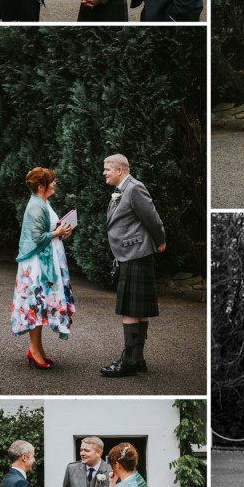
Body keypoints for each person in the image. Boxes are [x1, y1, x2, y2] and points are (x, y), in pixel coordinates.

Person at [101, 154, 166, 377]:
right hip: (131, 254)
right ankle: (138, 359)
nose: (104, 172)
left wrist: (160, 240)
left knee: (130, 309)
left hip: (135, 254)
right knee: (139, 310)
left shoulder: (134, 188)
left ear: (119, 170)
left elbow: (152, 218)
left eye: (107, 169)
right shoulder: (122, 189)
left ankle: (129, 361)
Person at [11, 167, 74, 369]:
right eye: (51, 181)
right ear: (41, 186)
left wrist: (62, 231)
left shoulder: (44, 202)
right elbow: (37, 238)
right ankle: (34, 350)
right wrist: (57, 233)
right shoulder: (35, 207)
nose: (54, 184)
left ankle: (37, 349)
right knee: (36, 306)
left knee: (42, 306)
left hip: (49, 260)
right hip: (38, 266)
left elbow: (51, 228)